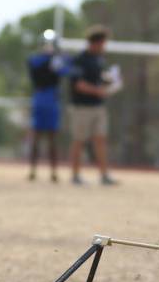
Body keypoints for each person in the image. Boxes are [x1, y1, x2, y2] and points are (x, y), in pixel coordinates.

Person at [68, 25, 119, 186]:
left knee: (101, 140)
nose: (104, 47)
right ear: (95, 43)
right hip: (82, 107)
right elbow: (78, 84)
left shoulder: (100, 60)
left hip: (98, 107)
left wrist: (110, 82)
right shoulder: (80, 59)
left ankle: (104, 175)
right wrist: (97, 90)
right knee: (79, 140)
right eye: (103, 43)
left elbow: (100, 79)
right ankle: (75, 175)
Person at [26, 29, 67, 182]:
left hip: (52, 99)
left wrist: (59, 59)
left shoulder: (60, 60)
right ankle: (32, 170)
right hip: (40, 98)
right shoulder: (36, 60)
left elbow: (66, 70)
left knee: (52, 138)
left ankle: (54, 172)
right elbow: (34, 66)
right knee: (36, 136)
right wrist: (50, 60)